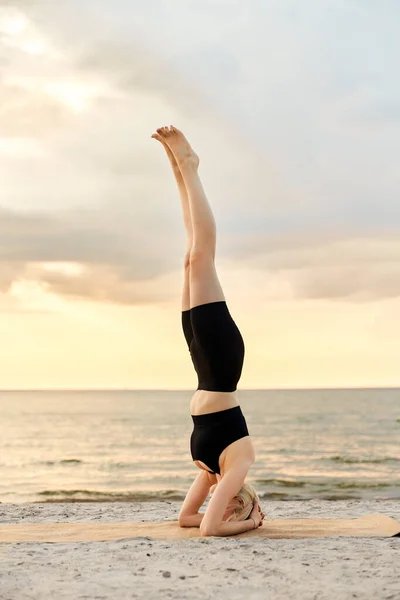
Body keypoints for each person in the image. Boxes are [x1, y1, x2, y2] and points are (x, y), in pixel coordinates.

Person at [152, 126, 264, 537]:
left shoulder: (208, 468)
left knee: (189, 258)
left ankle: (178, 170)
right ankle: (190, 167)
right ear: (244, 497)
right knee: (203, 257)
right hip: (221, 364)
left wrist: (226, 515)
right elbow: (210, 530)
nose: (226, 504)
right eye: (237, 504)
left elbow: (188, 520)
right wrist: (252, 521)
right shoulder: (240, 463)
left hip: (205, 369)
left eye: (228, 507)